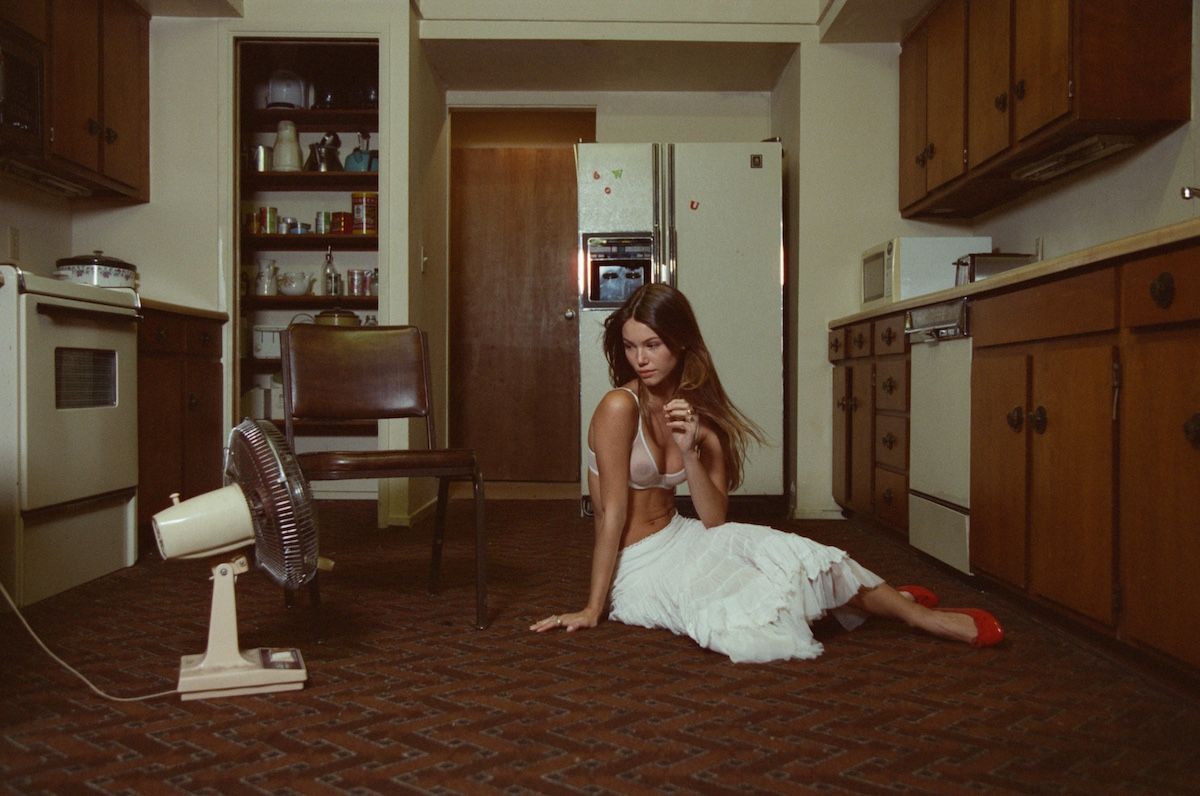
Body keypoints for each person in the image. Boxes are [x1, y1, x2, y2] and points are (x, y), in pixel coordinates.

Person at [530, 283, 1003, 662]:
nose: (641, 358)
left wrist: (690, 447)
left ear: (680, 343)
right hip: (636, 567)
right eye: (631, 346)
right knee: (738, 614)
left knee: (789, 550)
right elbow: (611, 513)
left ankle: (916, 616)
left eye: (652, 344)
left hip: (686, 535)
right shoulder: (618, 407)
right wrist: (593, 607)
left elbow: (715, 522)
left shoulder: (695, 414)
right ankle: (870, 600)